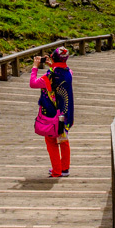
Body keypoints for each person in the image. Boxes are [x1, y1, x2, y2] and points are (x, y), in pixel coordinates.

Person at [30, 47, 74, 178]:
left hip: (52, 114)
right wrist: (53, 65)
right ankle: (65, 168)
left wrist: (35, 67)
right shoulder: (69, 72)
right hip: (65, 113)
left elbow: (33, 83)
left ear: (52, 57)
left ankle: (56, 170)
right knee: (63, 139)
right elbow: (60, 73)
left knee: (51, 141)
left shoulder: (50, 75)